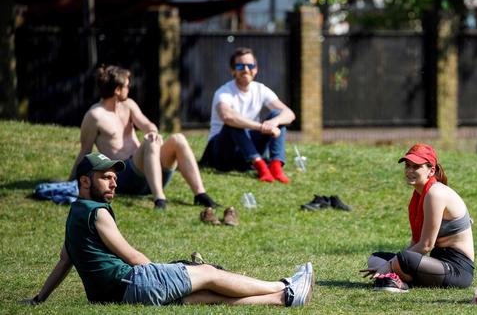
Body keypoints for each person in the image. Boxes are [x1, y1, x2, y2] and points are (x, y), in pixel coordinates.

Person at [23, 152, 314, 307]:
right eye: (105, 178)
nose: (114, 183)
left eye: (114, 178)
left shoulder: (74, 212)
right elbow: (132, 257)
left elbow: (65, 259)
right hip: (133, 283)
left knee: (204, 295)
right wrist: (162, 270)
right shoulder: (95, 212)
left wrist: (39, 299)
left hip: (112, 295)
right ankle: (284, 284)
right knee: (211, 274)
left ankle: (284, 299)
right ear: (85, 181)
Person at [70, 65, 220, 210]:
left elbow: (148, 125)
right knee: (150, 144)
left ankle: (200, 194)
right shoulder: (95, 115)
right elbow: (85, 151)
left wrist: (152, 133)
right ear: (117, 90)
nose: (129, 89)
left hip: (151, 171)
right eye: (127, 86)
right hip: (125, 175)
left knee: (178, 139)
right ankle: (159, 199)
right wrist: (71, 181)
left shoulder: (128, 105)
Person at [362, 144, 475, 292]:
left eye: (416, 167)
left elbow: (426, 245)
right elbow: (416, 243)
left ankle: (399, 281)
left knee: (402, 259)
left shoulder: (436, 193)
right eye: (407, 166)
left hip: (457, 270)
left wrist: (390, 265)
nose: (409, 171)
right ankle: (395, 277)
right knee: (375, 258)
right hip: (436, 262)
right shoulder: (419, 195)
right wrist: (391, 262)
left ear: (431, 170)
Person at [200, 47, 295, 183]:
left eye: (250, 65)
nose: (245, 69)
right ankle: (261, 167)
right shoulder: (223, 92)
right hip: (223, 151)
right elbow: (227, 117)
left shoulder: (260, 89)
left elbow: (289, 114)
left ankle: (275, 168)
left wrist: (274, 122)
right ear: (233, 70)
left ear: (255, 69)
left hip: (246, 147)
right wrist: (262, 127)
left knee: (278, 117)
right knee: (234, 123)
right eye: (240, 66)